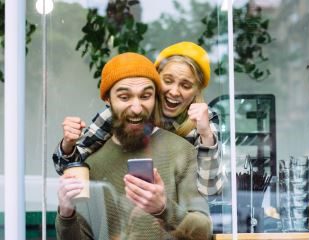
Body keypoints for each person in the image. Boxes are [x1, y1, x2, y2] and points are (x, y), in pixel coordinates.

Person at [55, 52, 212, 240]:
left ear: (155, 98)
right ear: (108, 100)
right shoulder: (92, 165)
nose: (137, 108)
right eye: (124, 97)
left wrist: (164, 209)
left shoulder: (182, 151)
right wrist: (66, 214)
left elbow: (204, 233)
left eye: (145, 96)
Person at [53, 41, 223, 195]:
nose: (174, 91)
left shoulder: (205, 121)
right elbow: (66, 167)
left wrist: (206, 135)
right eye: (168, 80)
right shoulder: (125, 112)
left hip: (176, 217)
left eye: (186, 85)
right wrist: (68, 144)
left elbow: (209, 189)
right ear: (155, 80)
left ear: (197, 91)